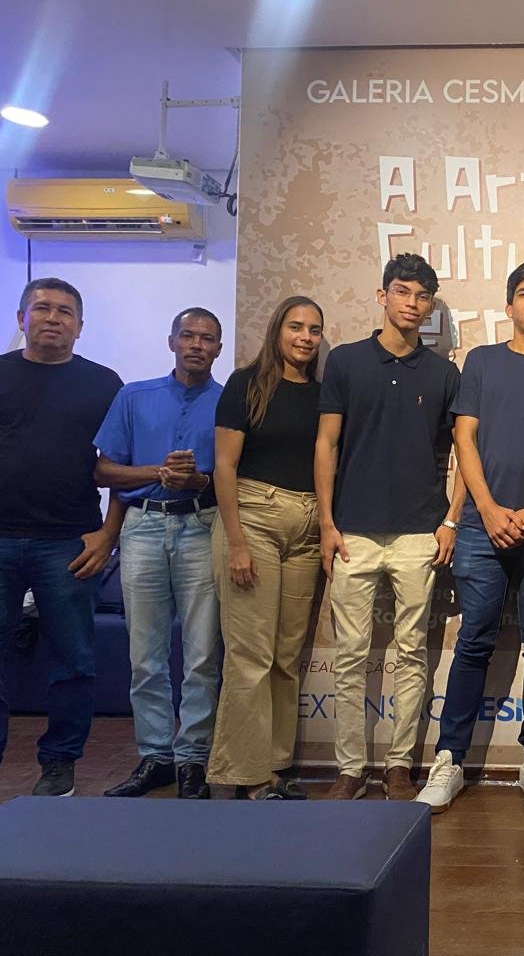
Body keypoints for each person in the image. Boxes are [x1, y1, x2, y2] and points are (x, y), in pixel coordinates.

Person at [417, 262, 524, 814]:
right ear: (509, 307)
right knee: (474, 641)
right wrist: (487, 509)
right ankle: (450, 758)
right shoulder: (482, 361)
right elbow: (464, 439)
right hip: (479, 526)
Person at [317, 254, 461, 800]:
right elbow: (326, 443)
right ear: (382, 296)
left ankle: (400, 764)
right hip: (352, 529)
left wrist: (450, 520)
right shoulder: (346, 362)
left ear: (430, 306)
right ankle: (350, 768)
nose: (412, 304)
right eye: (402, 292)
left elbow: (462, 453)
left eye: (422, 296)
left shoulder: (444, 373)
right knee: (350, 654)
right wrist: (327, 522)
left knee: (413, 652)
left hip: (420, 531)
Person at [0, 278, 123, 801]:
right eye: (41, 308)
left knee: (73, 663)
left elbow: (119, 466)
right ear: (21, 318)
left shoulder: (103, 384)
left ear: (80, 327)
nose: (53, 318)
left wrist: (108, 534)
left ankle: (60, 763)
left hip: (69, 542)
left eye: (65, 312)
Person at [95, 308, 225, 800]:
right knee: (145, 653)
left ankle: (193, 758)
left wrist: (197, 480)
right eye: (188, 336)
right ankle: (155, 756)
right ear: (171, 341)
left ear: (218, 349)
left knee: (202, 652)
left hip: (202, 524)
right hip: (143, 525)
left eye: (207, 339)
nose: (196, 345)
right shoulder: (134, 396)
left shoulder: (227, 402)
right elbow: (104, 471)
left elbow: (234, 476)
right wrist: (157, 472)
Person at [206, 296, 325, 800]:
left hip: (307, 526)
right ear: (277, 330)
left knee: (285, 655)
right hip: (252, 516)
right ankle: (245, 774)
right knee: (250, 654)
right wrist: (236, 543)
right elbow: (224, 466)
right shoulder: (246, 384)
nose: (305, 337)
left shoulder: (321, 394)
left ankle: (275, 768)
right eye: (296, 326)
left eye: (314, 330)